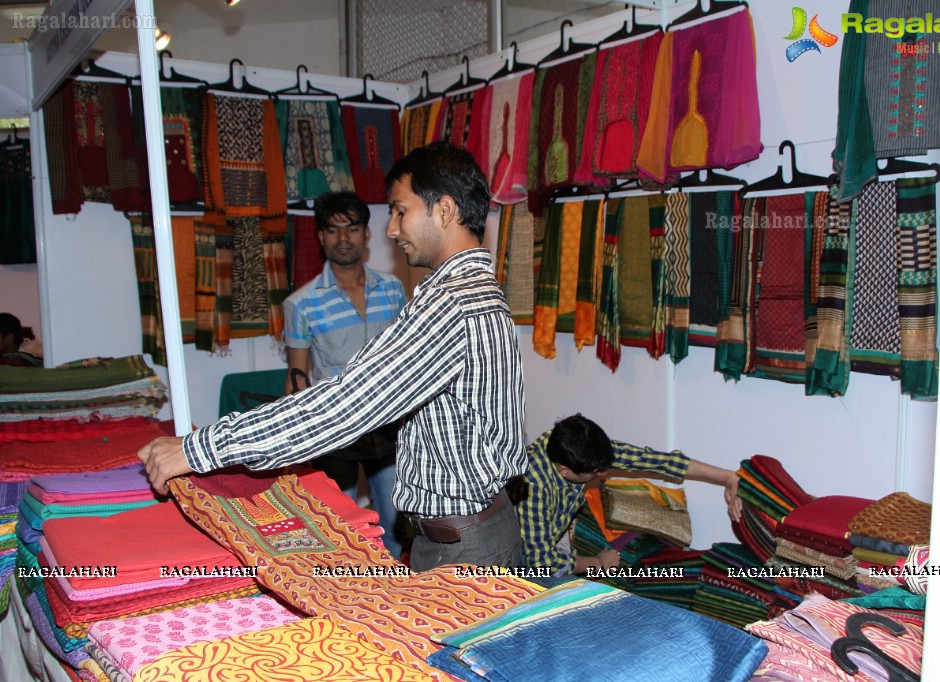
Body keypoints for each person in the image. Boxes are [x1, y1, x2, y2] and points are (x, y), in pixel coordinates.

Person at [138, 141, 527, 572]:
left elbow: (345, 405)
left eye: (400, 211)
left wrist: (198, 450)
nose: (392, 230)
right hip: (469, 534)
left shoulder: (450, 304)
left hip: (465, 547)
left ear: (445, 211)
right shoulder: (475, 291)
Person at [283, 191, 407, 559]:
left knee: (396, 523)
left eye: (351, 228)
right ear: (321, 237)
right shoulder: (301, 303)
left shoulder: (393, 288)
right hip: (333, 430)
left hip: (389, 427)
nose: (343, 238)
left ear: (367, 234)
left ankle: (398, 600)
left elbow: (404, 357)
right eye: (333, 230)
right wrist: (295, 440)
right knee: (339, 530)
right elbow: (296, 376)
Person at [515, 414, 742, 576]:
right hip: (514, 556)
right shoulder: (532, 486)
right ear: (564, 470)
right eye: (594, 473)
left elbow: (656, 461)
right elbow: (541, 562)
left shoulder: (575, 445)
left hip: (548, 535)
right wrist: (598, 563)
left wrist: (728, 478)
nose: (602, 474)